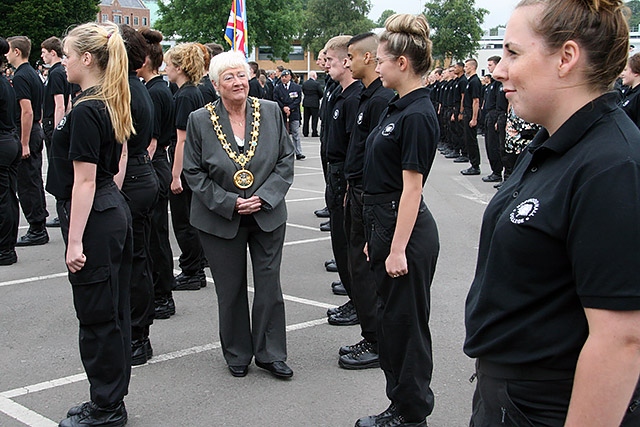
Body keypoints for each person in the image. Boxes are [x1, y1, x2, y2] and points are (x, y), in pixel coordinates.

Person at [464, 1, 640, 426]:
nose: (498, 69)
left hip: (546, 406)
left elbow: (620, 340)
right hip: (511, 395)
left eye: (513, 53)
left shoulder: (612, 164)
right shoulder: (558, 143)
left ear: (566, 57)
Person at [183, 50, 295, 379]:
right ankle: (237, 353)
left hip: (267, 214)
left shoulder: (271, 111)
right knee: (229, 290)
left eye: (242, 75)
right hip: (220, 219)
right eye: (229, 77)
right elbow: (193, 172)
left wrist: (265, 196)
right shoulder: (199, 119)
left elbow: (285, 160)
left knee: (269, 287)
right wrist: (229, 202)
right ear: (216, 84)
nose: (238, 82)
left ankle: (271, 353)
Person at [46, 22, 134, 427]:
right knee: (110, 312)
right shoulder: (103, 100)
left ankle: (106, 406)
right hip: (108, 210)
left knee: (99, 316)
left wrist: (74, 241)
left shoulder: (88, 108)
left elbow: (84, 179)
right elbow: (113, 169)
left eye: (66, 55)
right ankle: (110, 399)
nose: (62, 62)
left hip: (95, 216)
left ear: (86, 58)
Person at [356, 14, 439, 427]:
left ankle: (411, 415)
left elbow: (412, 189)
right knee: (391, 323)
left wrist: (398, 247)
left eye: (383, 61)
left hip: (403, 226)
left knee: (406, 327)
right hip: (385, 224)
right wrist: (378, 237)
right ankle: (399, 404)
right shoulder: (396, 106)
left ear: (402, 63)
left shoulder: (418, 114)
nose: (378, 66)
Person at [337, 32, 394, 370]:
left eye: (353, 57)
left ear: (368, 58)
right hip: (356, 189)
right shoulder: (365, 97)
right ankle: (370, 333)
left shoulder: (380, 99)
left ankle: (376, 340)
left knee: (367, 267)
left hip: (369, 194)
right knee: (358, 265)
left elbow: (378, 156)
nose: (348, 62)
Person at [117, 24, 159, 366]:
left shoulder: (128, 90)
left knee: (133, 262)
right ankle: (135, 333)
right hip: (137, 175)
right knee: (134, 259)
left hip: (131, 178)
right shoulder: (134, 86)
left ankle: (137, 336)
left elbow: (122, 150)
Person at [137, 27, 177, 320]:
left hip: (155, 164)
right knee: (154, 233)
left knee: (156, 236)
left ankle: (163, 294)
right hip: (158, 164)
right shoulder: (157, 88)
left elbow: (151, 142)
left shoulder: (155, 92)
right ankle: (160, 290)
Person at [164, 43, 208, 290]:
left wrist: (175, 175)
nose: (166, 68)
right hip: (195, 163)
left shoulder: (184, 95)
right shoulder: (193, 92)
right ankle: (196, 266)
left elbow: (182, 139)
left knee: (184, 222)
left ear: (179, 67)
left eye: (169, 65)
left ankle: (192, 271)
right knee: (191, 220)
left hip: (186, 164)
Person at [6, 36, 48, 246]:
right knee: (33, 179)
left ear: (16, 52)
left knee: (27, 183)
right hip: (34, 130)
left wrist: (23, 142)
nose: (6, 54)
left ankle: (37, 227)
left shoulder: (22, 76)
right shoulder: (31, 73)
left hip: (27, 132)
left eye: (9, 50)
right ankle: (38, 222)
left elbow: (27, 111)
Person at [41, 36, 71, 229]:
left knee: (57, 167)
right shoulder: (62, 72)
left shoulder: (55, 73)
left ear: (53, 53)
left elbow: (60, 104)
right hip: (57, 122)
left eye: (44, 52)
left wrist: (58, 129)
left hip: (54, 123)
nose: (42, 56)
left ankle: (63, 212)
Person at [0, 37, 21, 266]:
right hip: (9, 140)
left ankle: (5, 248)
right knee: (8, 197)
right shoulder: (6, 81)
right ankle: (7, 246)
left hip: (4, 142)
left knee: (4, 199)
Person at [274, 69, 304, 160]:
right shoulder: (278, 88)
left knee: (295, 133)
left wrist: (290, 108)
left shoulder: (296, 87)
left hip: (294, 113)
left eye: (285, 77)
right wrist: (284, 107)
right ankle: (284, 153)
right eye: (282, 77)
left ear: (290, 77)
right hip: (282, 113)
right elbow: (276, 99)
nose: (284, 78)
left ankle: (298, 152)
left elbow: (298, 100)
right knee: (283, 134)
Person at [459, 58, 482, 176]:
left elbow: (476, 101)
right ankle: (473, 163)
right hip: (467, 111)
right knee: (468, 139)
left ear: (473, 67)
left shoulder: (475, 81)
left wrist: (474, 118)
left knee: (472, 140)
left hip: (471, 112)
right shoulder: (470, 81)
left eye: (467, 66)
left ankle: (475, 165)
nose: (465, 68)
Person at [620, 52, 640, 128]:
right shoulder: (630, 93)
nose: (622, 74)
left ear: (636, 72)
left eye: (625, 70)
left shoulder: (638, 95)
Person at [301, 70, 323, 137]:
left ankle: (305, 132)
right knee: (314, 119)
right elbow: (321, 93)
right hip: (314, 103)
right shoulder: (317, 84)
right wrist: (317, 98)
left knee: (306, 119)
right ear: (314, 76)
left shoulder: (305, 83)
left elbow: (303, 91)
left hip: (306, 103)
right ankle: (314, 132)